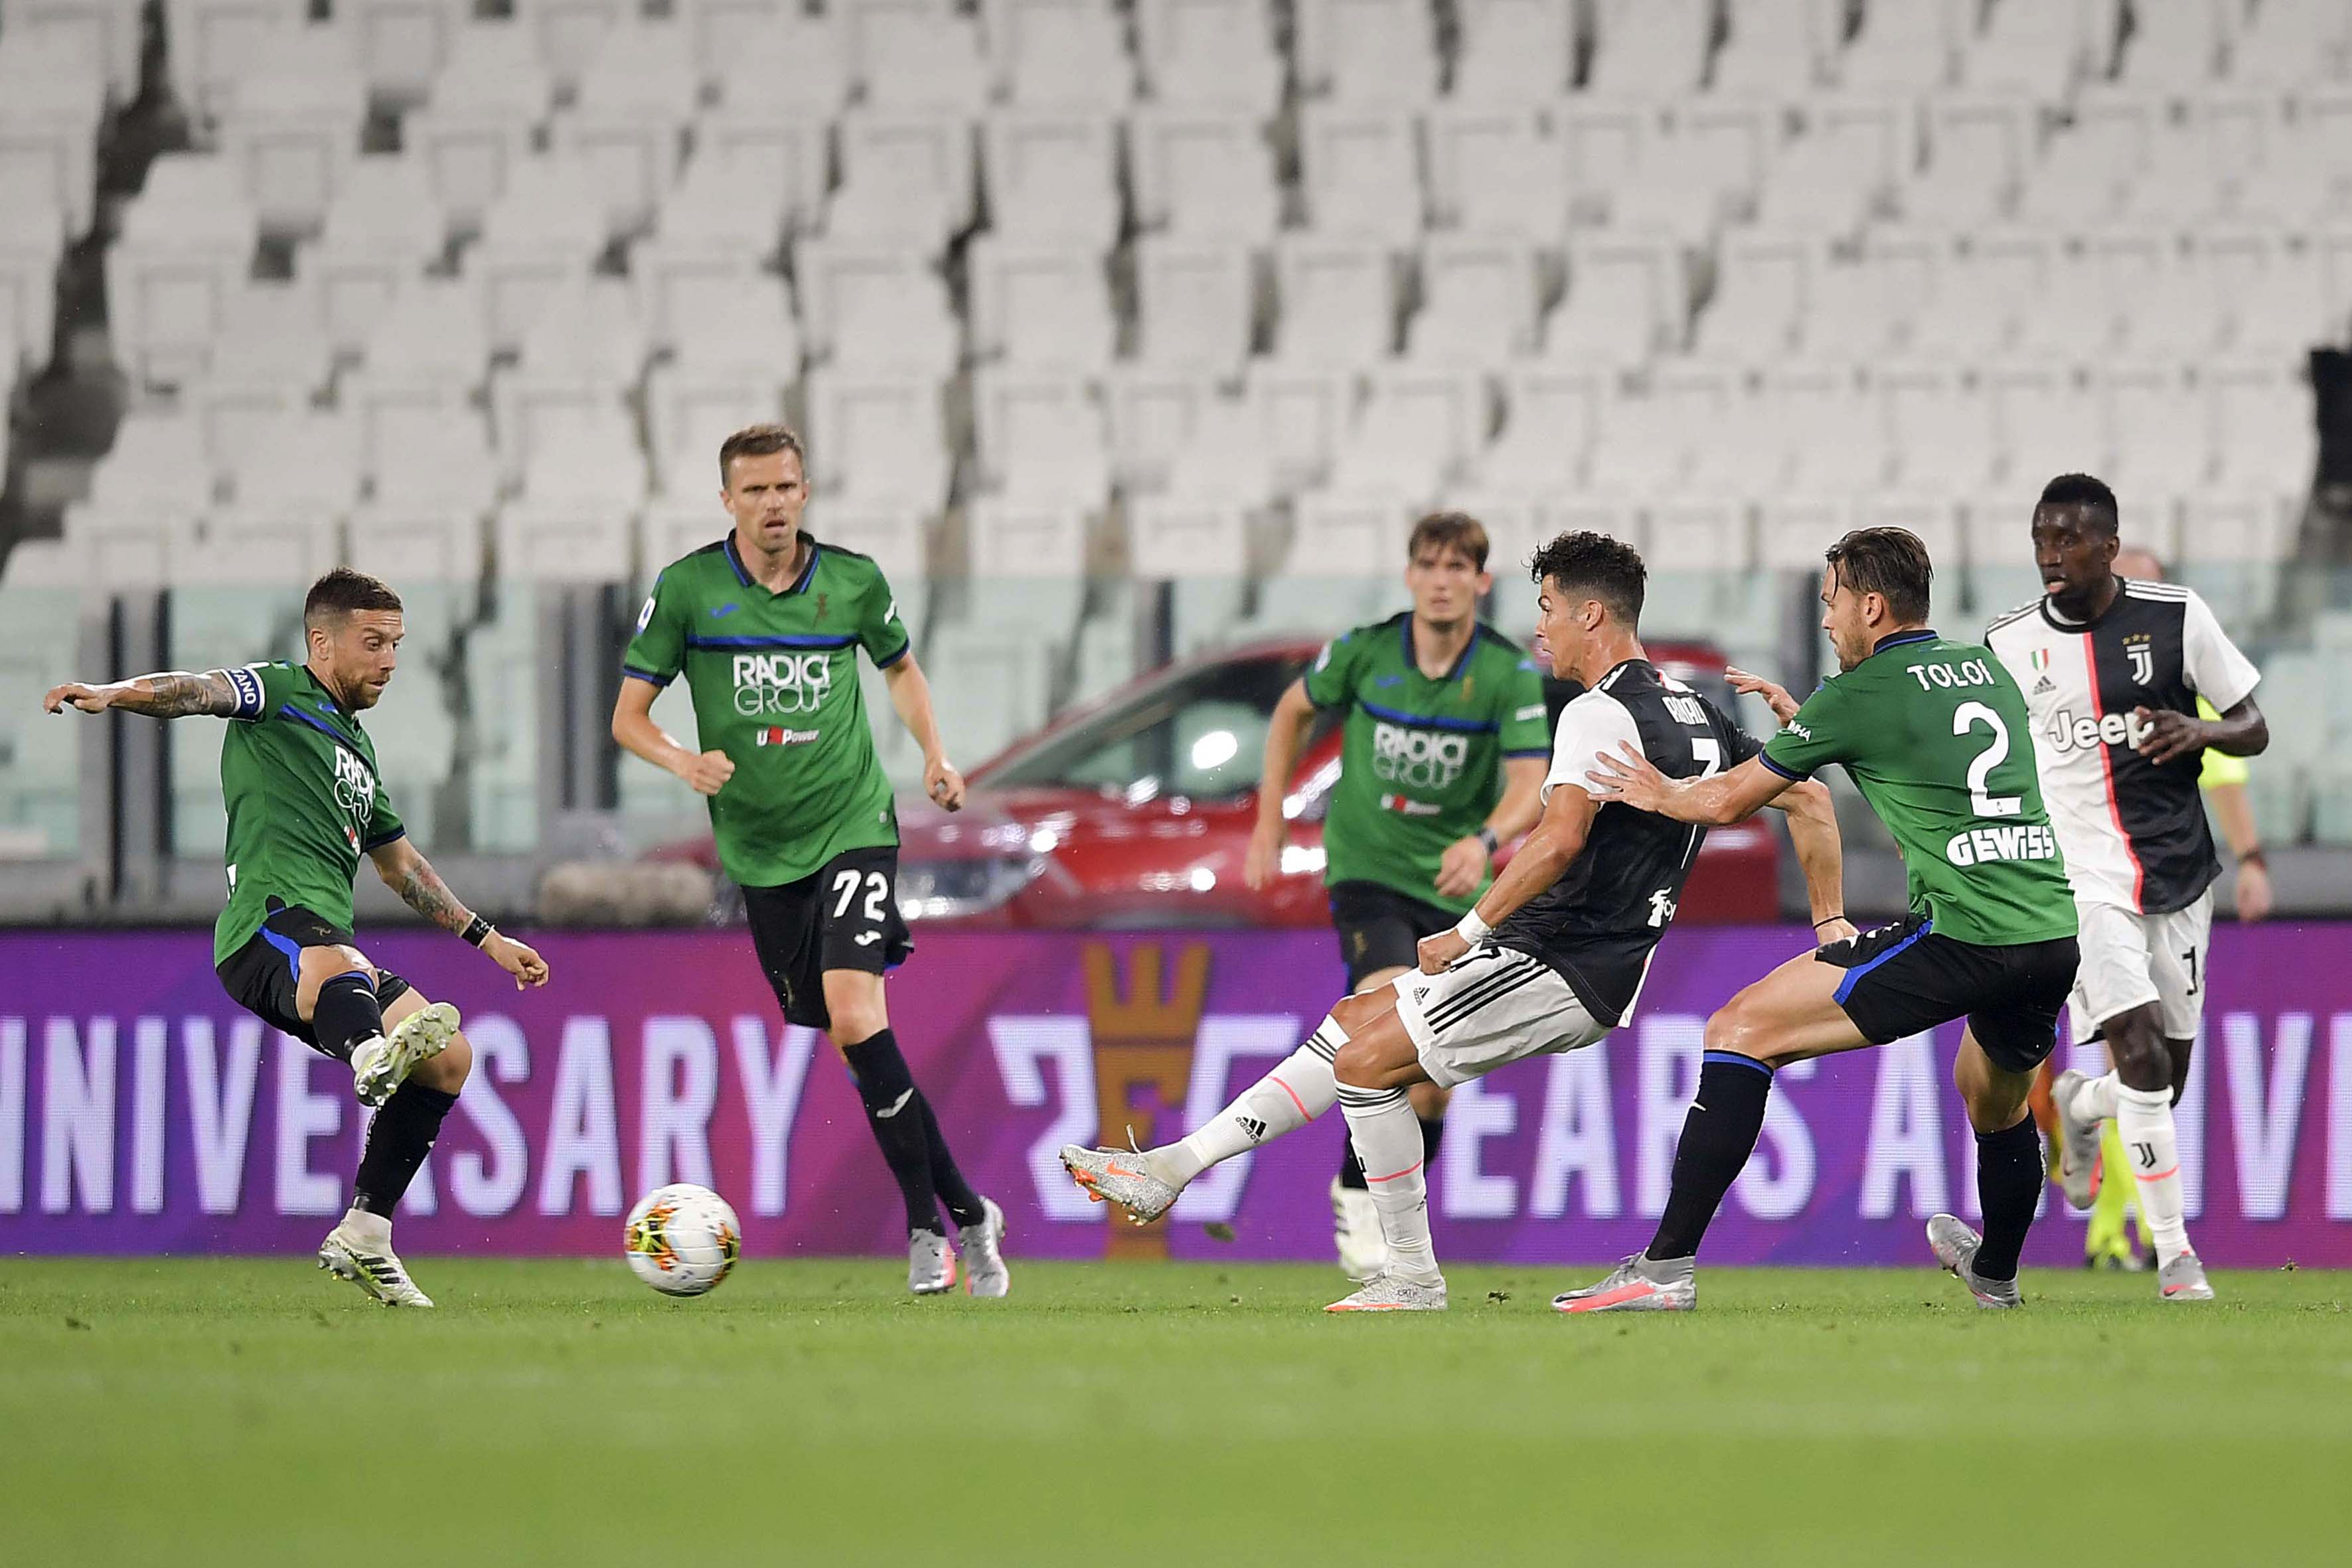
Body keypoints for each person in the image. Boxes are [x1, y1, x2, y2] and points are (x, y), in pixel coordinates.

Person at [1063, 531, 1847, 1310]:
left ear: (1592, 615)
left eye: (1549, 607)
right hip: (1582, 958)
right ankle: (1171, 1168)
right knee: (1354, 1021)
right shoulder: (1698, 713)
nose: (1539, 627)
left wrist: (1466, 931)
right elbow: (1809, 797)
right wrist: (1829, 925)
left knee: (1364, 1067)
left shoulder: (1598, 712)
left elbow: (1557, 841)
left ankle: (1410, 1276)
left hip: (1560, 960)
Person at [1561, 526, 2080, 1313]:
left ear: (1872, 607)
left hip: (1963, 935)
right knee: (1992, 1095)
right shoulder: (1984, 668)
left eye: (1834, 601)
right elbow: (1921, 770)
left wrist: (1659, 790)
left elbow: (1728, 802)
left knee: (1739, 1029)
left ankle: (1663, 1270)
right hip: (2049, 933)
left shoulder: (1861, 691)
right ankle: (1997, 1276)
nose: (1828, 619)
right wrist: (1817, 727)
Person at [42, 568, 551, 1307]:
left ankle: (366, 1230)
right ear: (322, 641)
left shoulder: (359, 753)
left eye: (397, 644)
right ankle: (370, 1055)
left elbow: (401, 867)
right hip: (264, 928)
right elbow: (196, 691)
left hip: (327, 947)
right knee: (340, 967)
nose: (390, 661)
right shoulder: (280, 690)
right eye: (373, 643)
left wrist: (487, 938)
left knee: (449, 1058)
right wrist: (116, 693)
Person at [611, 423, 1009, 1298]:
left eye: (785, 487)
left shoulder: (853, 581)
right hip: (760, 851)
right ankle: (970, 1210)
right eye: (755, 490)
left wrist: (934, 754)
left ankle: (924, 1232)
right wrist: (683, 761)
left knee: (857, 1015)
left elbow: (900, 670)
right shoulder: (687, 590)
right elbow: (627, 716)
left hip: (852, 821)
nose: (773, 504)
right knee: (856, 1046)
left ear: (805, 491)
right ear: (727, 501)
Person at [1241, 512, 1547, 1281]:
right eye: (1429, 566)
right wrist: (1270, 815)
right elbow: (1292, 710)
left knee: (1432, 1083)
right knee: (1387, 1010)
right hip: (1369, 870)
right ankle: (1356, 1198)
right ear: (1410, 576)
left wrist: (1483, 839)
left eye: (1457, 567)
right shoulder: (1365, 650)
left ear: (1481, 581)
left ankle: (1375, 1203)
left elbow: (1530, 782)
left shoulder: (1505, 673)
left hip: (1457, 885)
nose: (1442, 581)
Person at [1983, 481, 2266, 1302]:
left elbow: (2253, 724)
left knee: (2163, 1081)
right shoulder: (2009, 642)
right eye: (2041, 539)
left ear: (2108, 547)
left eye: (2068, 540)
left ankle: (2079, 1102)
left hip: (2178, 872)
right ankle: (2177, 1259)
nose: (2050, 556)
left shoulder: (2177, 617)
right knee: (2137, 1051)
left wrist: (2202, 729)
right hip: (2081, 876)